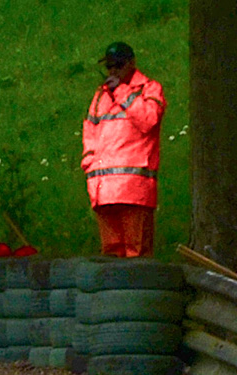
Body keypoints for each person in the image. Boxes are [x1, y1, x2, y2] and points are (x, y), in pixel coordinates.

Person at [81, 41, 167, 258]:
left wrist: (121, 92)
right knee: (111, 254)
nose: (113, 71)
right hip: (103, 189)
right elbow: (90, 129)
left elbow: (148, 120)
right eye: (109, 66)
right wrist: (89, 164)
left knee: (136, 253)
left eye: (118, 65)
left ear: (131, 64)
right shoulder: (101, 95)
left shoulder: (149, 89)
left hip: (134, 188)